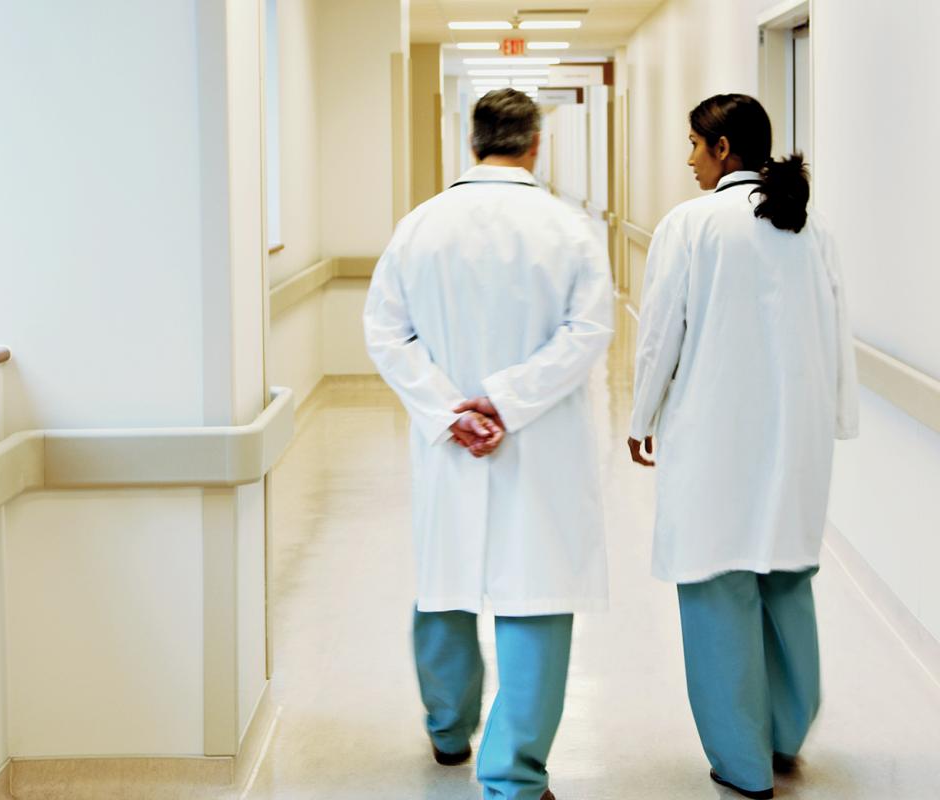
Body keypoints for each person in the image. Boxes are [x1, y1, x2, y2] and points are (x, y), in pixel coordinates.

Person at [363, 88, 613, 800]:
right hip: (538, 445)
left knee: (445, 581)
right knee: (535, 593)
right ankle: (514, 774)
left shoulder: (419, 226)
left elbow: (384, 331)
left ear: (471, 143)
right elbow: (589, 332)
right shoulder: (567, 229)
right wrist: (506, 399)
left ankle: (448, 732)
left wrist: (451, 409)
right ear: (536, 144)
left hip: (449, 444)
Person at [627, 93, 859, 799]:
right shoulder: (809, 226)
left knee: (718, 587)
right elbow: (837, 329)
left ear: (724, 148)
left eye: (695, 145)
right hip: (796, 437)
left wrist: (641, 417)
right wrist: (836, 418)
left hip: (712, 438)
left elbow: (661, 330)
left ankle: (743, 760)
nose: (689, 159)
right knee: (786, 578)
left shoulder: (691, 224)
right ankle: (786, 734)